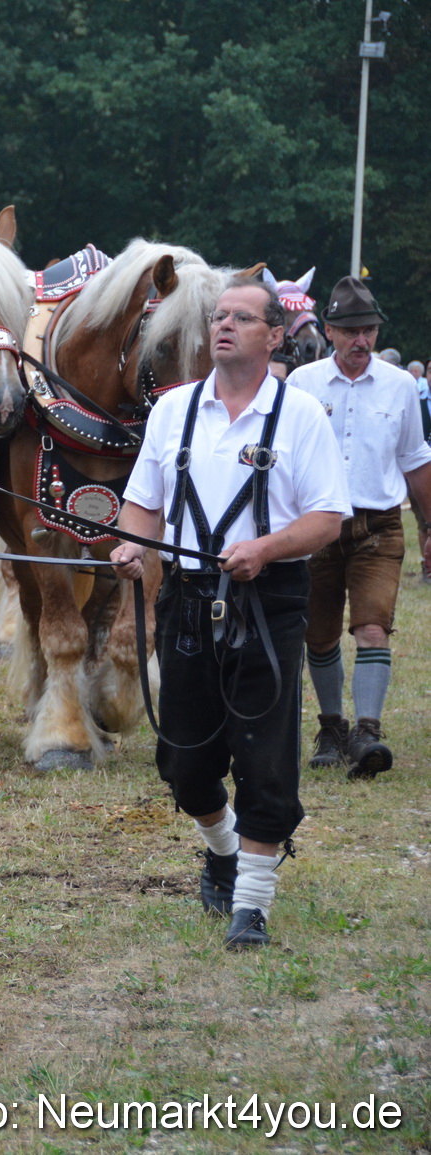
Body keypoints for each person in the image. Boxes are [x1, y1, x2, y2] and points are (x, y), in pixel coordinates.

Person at [112, 277, 347, 950]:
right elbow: (143, 503)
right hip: (186, 597)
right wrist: (132, 544)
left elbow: (328, 516)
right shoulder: (173, 411)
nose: (224, 326)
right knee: (184, 766)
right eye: (218, 316)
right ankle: (220, 846)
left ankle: (252, 905)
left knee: (266, 758)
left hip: (268, 600)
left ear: (274, 335)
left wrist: (267, 548)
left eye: (241, 318)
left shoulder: (299, 415)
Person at [284, 276, 431, 779]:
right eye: (349, 332)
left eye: (367, 330)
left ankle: (367, 730)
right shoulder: (301, 386)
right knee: (319, 636)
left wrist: (429, 526)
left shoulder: (402, 386)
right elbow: (285, 462)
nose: (360, 341)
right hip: (316, 527)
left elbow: (414, 459)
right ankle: (331, 727)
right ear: (329, 331)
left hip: (379, 527)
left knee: (372, 626)